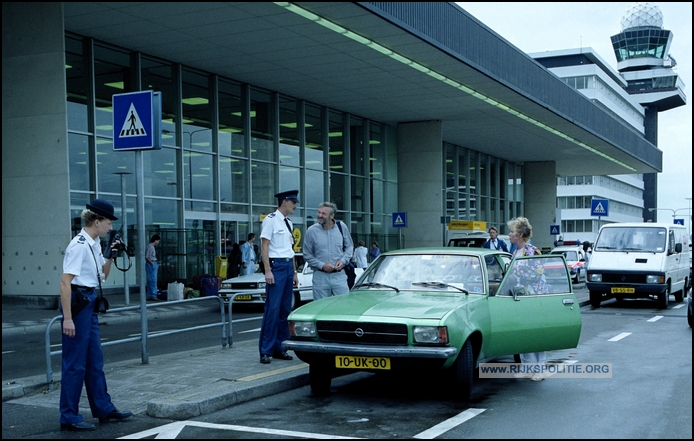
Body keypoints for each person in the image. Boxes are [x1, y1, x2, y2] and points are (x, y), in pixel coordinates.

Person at [58, 199, 132, 431]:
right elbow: (64, 282)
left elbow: (103, 275)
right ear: (97, 221)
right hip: (78, 305)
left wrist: (110, 254)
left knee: (94, 362)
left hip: (89, 302)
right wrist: (68, 318)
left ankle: (103, 408)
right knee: (75, 365)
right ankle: (69, 416)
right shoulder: (79, 245)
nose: (110, 227)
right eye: (108, 223)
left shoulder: (95, 242)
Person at [258, 190, 300, 364]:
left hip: (287, 266)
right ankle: (266, 350)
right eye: (293, 202)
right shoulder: (270, 220)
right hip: (276, 266)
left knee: (285, 310)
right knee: (272, 310)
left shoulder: (288, 222)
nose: (295, 206)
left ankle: (280, 347)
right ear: (284, 202)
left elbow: (291, 251)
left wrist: (295, 272)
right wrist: (268, 270)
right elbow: (265, 246)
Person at [507, 216, 547, 382]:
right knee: (524, 333)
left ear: (520, 235)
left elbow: (537, 274)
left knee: (537, 333)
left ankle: (540, 369)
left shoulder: (532, 251)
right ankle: (527, 367)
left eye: (512, 232)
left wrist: (515, 274)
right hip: (520, 298)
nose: (509, 235)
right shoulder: (514, 252)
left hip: (534, 297)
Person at [303, 202, 354, 300]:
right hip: (320, 277)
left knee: (344, 307)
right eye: (319, 212)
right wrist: (322, 265)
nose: (319, 216)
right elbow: (307, 254)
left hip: (339, 276)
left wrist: (343, 261)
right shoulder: (311, 231)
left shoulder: (341, 227)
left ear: (332, 215)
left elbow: (349, 247)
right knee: (320, 309)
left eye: (323, 214)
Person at [145, 234, 161, 301]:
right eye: (158, 240)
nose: (158, 242)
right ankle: (153, 295)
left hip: (150, 263)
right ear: (155, 240)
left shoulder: (150, 246)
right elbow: (147, 256)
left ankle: (149, 294)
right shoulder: (151, 247)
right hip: (152, 263)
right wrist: (152, 264)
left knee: (150, 280)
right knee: (153, 280)